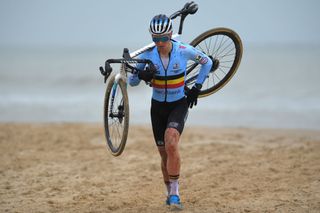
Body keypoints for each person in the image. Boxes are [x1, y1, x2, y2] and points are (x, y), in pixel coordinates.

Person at [128, 14, 212, 208]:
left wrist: (197, 87)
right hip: (157, 107)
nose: (160, 43)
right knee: (164, 154)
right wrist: (141, 74)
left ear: (171, 34)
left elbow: (206, 62)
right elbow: (131, 82)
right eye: (155, 39)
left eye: (164, 38)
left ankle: (175, 194)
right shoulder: (147, 55)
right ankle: (168, 192)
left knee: (172, 142)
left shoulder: (183, 50)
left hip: (178, 103)